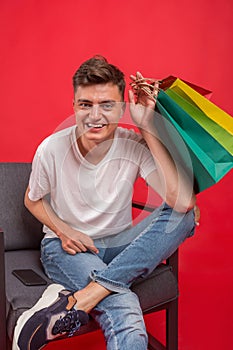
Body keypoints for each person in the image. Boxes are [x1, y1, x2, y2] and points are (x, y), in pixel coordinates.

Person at [13, 55, 197, 350]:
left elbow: (183, 202)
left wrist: (147, 125)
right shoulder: (51, 149)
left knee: (185, 215)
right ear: (74, 106)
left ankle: (81, 297)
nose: (95, 116)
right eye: (86, 104)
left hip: (120, 244)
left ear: (123, 107)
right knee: (122, 303)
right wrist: (62, 230)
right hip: (68, 249)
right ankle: (104, 288)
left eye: (107, 105)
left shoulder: (133, 143)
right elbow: (32, 200)